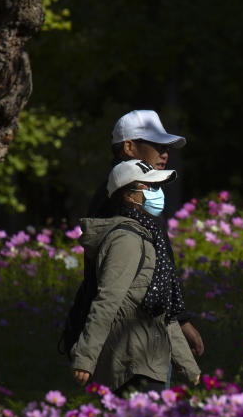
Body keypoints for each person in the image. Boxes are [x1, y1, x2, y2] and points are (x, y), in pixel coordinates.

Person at [71, 159, 200, 393]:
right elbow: (107, 300)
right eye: (150, 187)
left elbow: (161, 311)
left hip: (149, 362)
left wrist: (189, 368)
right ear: (129, 196)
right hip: (130, 365)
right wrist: (85, 358)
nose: (157, 193)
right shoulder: (126, 240)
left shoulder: (147, 236)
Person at [86, 109, 204, 359]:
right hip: (129, 344)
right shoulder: (118, 200)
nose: (165, 153)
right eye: (156, 145)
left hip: (149, 336)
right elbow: (111, 288)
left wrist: (180, 320)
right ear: (129, 147)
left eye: (167, 147)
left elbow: (159, 267)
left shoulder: (142, 196)